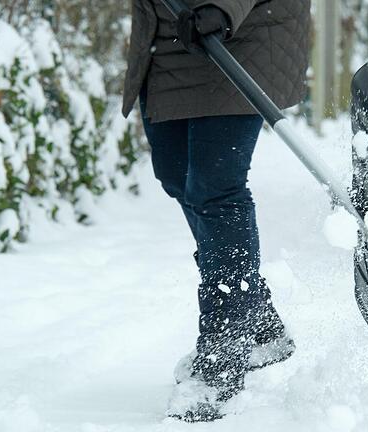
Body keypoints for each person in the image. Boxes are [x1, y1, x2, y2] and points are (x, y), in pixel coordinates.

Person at [122, 0, 311, 422]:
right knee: (176, 175)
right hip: (172, 37)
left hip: (240, 33)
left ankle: (224, 351)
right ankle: (258, 322)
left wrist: (224, 8)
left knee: (215, 187)